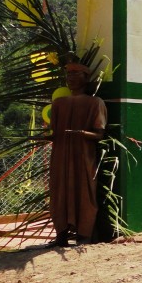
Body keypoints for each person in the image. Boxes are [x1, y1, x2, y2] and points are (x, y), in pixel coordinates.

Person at [47, 62, 107, 247]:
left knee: (84, 192)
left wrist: (81, 134)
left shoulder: (95, 103)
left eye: (75, 73)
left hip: (83, 156)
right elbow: (54, 132)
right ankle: (61, 234)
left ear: (86, 77)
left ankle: (84, 235)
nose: (71, 77)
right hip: (60, 156)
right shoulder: (59, 104)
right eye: (68, 74)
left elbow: (99, 133)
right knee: (59, 192)